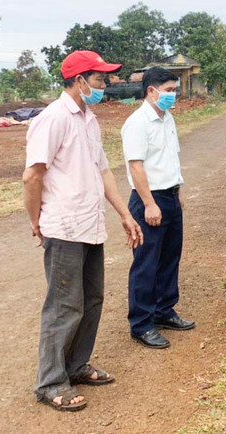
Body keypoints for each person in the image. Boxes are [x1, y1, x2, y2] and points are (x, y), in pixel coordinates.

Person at [23, 50, 144, 413]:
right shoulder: (53, 119)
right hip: (63, 226)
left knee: (92, 299)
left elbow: (104, 171)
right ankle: (50, 382)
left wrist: (124, 213)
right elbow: (33, 175)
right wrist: (36, 220)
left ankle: (75, 366)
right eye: (100, 78)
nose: (105, 85)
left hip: (89, 225)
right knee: (63, 305)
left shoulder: (88, 119)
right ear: (79, 81)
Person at [121, 67, 195, 349]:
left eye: (174, 90)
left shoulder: (167, 119)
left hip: (170, 196)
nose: (172, 95)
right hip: (148, 200)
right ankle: (141, 324)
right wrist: (150, 204)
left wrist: (177, 193)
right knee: (146, 263)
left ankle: (165, 311)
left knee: (169, 258)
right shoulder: (137, 123)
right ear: (151, 91)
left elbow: (169, 159)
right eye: (168, 90)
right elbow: (136, 165)